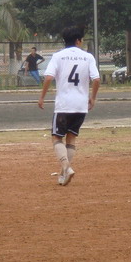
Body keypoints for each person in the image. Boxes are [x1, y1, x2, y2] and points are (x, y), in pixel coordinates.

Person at [38, 26, 100, 186]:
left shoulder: (58, 56)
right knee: (71, 138)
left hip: (64, 105)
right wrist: (93, 98)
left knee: (56, 137)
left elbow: (48, 77)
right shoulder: (88, 57)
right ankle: (62, 173)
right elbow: (96, 79)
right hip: (81, 105)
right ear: (78, 41)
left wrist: (42, 97)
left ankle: (66, 167)